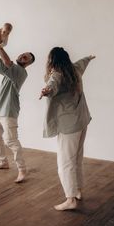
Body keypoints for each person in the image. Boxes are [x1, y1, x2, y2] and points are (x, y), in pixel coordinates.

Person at [40, 47, 95, 211]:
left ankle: (70, 199)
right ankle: (77, 190)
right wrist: (89, 57)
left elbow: (52, 85)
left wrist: (47, 90)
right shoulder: (75, 70)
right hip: (82, 121)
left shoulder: (57, 74)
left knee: (65, 163)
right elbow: (82, 63)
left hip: (69, 125)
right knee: (77, 158)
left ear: (52, 60)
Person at [0, 32, 35, 183]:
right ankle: (3, 162)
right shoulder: (11, 69)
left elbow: (6, 61)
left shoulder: (20, 72)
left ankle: (22, 169)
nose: (22, 56)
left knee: (11, 141)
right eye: (23, 54)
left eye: (25, 57)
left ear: (28, 63)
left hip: (9, 110)